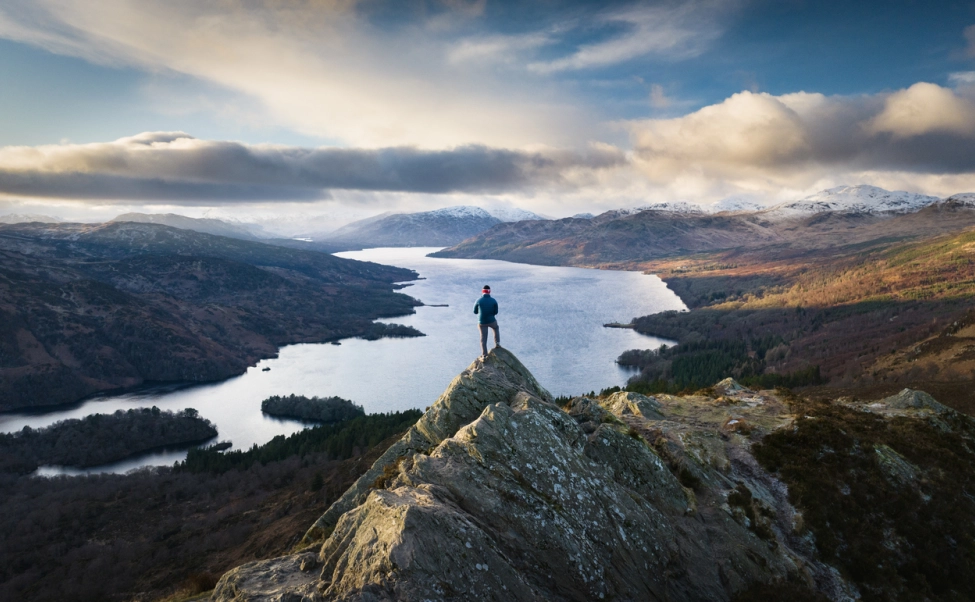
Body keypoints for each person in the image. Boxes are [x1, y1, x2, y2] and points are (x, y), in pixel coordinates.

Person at [474, 284, 500, 358]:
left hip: (481, 322)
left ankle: (484, 355)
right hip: (491, 320)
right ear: (489, 292)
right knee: (496, 328)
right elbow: (496, 312)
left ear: (482, 292)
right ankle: (497, 343)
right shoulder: (494, 301)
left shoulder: (478, 300)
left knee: (483, 338)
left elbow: (475, 311)